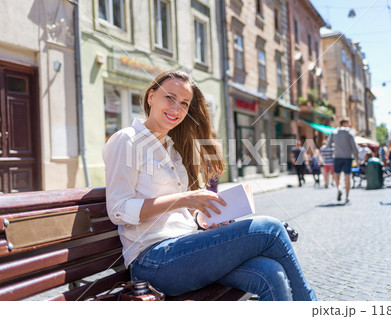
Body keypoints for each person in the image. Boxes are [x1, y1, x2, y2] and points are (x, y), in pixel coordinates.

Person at [103, 70, 317, 301]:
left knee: (271, 273)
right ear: (151, 97)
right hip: (153, 260)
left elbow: (178, 215)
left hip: (185, 248)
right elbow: (119, 210)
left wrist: (204, 219)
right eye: (170, 97)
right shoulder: (127, 140)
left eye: (184, 103)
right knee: (271, 229)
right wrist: (183, 199)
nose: (177, 108)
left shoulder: (171, 149)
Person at [326, 117, 359, 204]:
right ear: (346, 123)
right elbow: (354, 147)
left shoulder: (334, 132)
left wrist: (337, 147)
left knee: (337, 175)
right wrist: (358, 158)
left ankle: (339, 189)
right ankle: (347, 196)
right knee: (347, 176)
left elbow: (328, 145)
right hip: (348, 157)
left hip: (337, 156)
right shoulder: (350, 133)